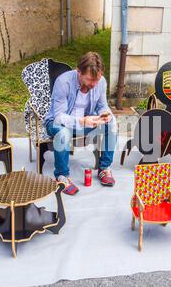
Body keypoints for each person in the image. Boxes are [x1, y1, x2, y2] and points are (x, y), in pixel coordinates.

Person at [44, 52, 117, 195]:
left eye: (97, 79)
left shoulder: (100, 81)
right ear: (78, 71)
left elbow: (102, 105)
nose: (94, 84)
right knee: (63, 132)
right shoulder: (63, 82)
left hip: (86, 122)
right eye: (90, 79)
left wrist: (106, 114)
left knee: (112, 124)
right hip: (58, 124)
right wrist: (82, 121)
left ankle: (104, 168)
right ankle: (62, 176)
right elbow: (59, 117)